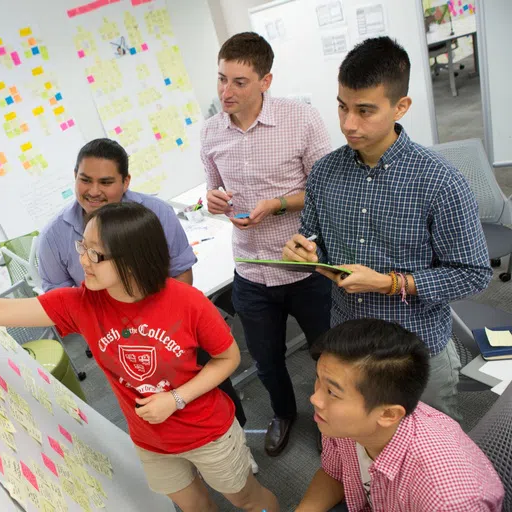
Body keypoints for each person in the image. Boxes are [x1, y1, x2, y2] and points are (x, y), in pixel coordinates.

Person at [0, 202, 280, 512]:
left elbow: (227, 358)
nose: (83, 260)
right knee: (193, 507)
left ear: (131, 259)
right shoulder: (80, 304)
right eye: (84, 247)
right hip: (150, 440)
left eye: (96, 254)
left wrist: (175, 399)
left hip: (205, 431)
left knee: (244, 498)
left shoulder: (186, 301)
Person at [282, 37, 491, 420]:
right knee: (363, 449)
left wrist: (390, 283)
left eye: (365, 111)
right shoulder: (325, 173)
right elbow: (316, 244)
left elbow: (474, 275)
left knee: (432, 454)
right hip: (349, 344)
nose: (348, 124)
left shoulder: (440, 182)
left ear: (401, 107)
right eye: (342, 108)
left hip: (411, 352)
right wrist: (304, 254)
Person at [38, 138, 251, 437]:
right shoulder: (53, 237)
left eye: (106, 181)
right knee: (149, 409)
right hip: (119, 343)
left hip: (176, 329)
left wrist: (166, 326)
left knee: (211, 387)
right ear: (74, 176)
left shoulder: (155, 212)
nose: (94, 191)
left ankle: (235, 439)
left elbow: (180, 272)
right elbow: (63, 306)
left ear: (125, 182)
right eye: (85, 179)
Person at [202, 32, 333, 456]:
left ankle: (334, 420)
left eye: (239, 82)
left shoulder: (301, 119)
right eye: (221, 79)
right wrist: (214, 201)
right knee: (265, 361)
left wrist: (277, 204)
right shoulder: (210, 133)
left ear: (266, 80)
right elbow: (213, 192)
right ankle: (284, 413)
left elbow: (326, 188)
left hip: (305, 264)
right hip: (251, 270)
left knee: (330, 353)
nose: (226, 91)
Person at [296, 319, 503, 512]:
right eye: (318, 380)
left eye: (332, 392)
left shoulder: (446, 499)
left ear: (388, 414)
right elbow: (334, 474)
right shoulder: (338, 421)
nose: (315, 399)